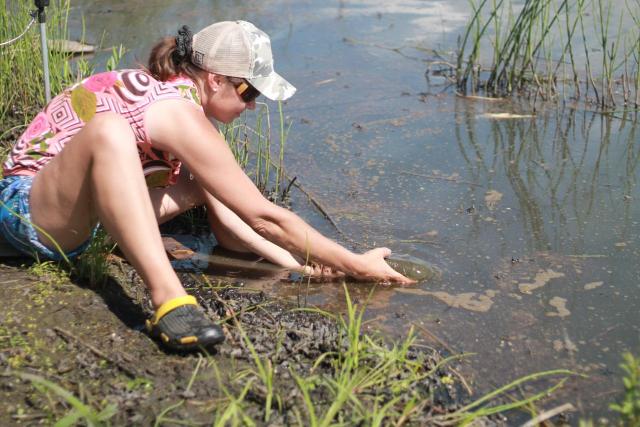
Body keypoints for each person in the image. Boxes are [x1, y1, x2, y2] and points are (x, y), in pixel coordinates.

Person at [0, 20, 413, 352]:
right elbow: (265, 215)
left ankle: (127, 252)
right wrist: (357, 263)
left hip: (78, 214)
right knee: (109, 131)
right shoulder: (176, 111)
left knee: (204, 180)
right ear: (215, 80)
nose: (251, 105)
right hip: (28, 210)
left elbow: (235, 223)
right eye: (248, 91)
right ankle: (169, 300)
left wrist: (298, 266)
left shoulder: (183, 106)